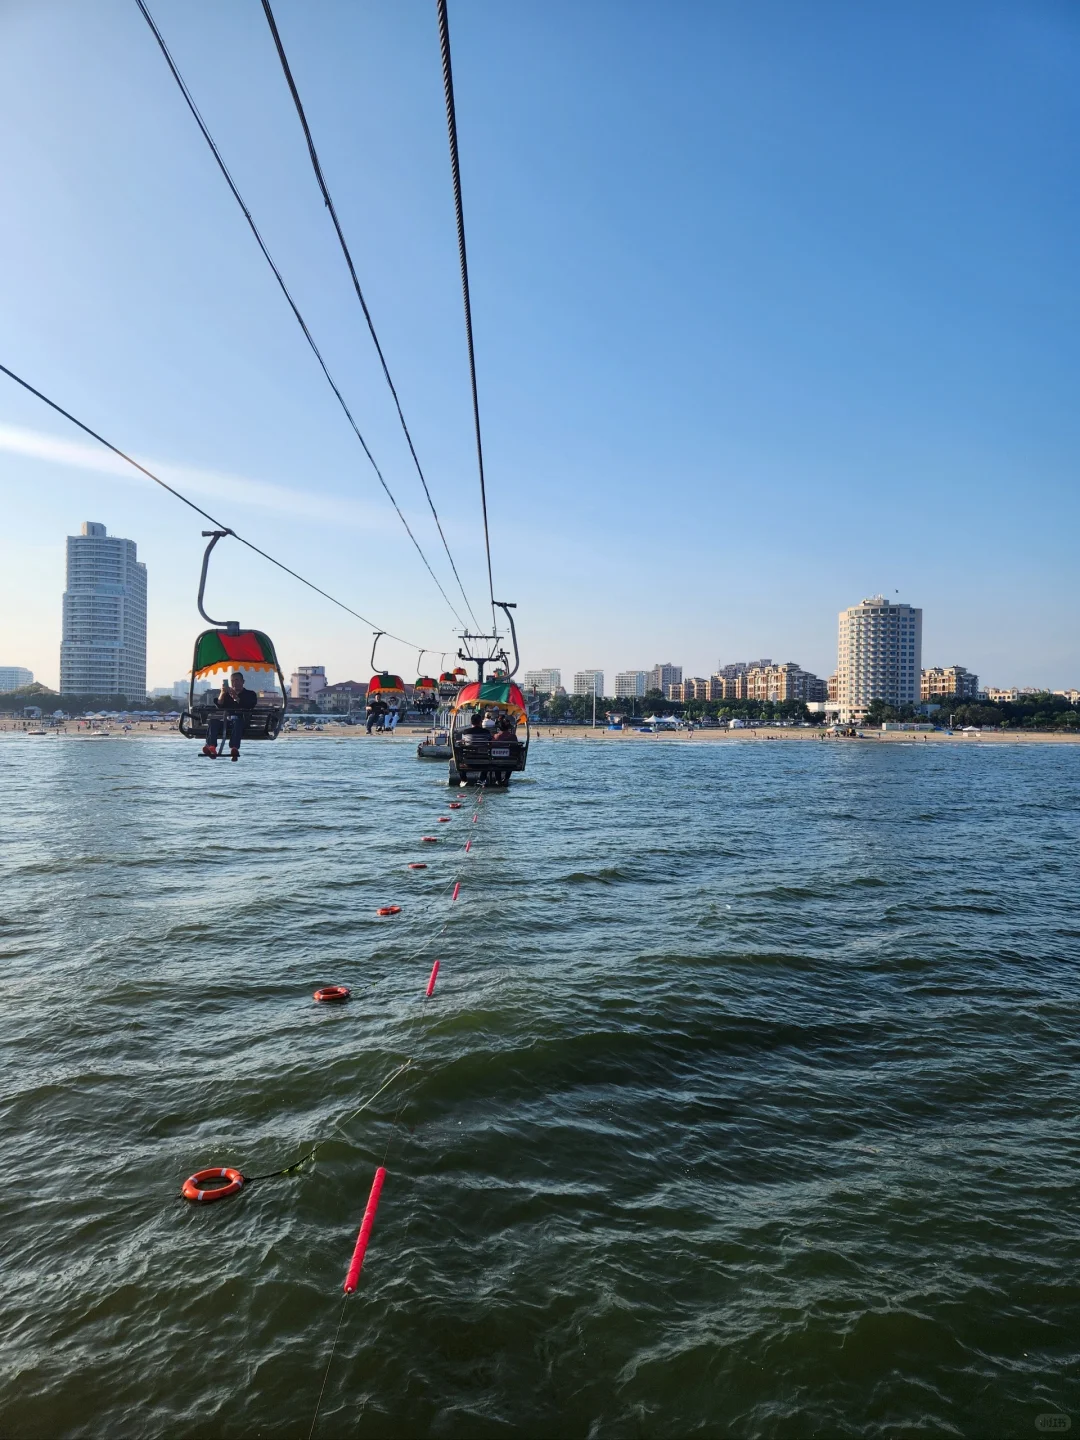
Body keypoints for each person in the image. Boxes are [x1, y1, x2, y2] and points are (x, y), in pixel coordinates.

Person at [202, 670, 256, 761]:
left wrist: (236, 698)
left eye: (237, 680)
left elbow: (249, 705)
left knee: (238, 722)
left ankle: (234, 748)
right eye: (232, 681)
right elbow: (219, 705)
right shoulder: (227, 695)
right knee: (213, 722)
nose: (235, 683)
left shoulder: (250, 694)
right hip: (228, 721)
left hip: (241, 721)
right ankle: (212, 747)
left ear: (243, 681)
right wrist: (222, 693)